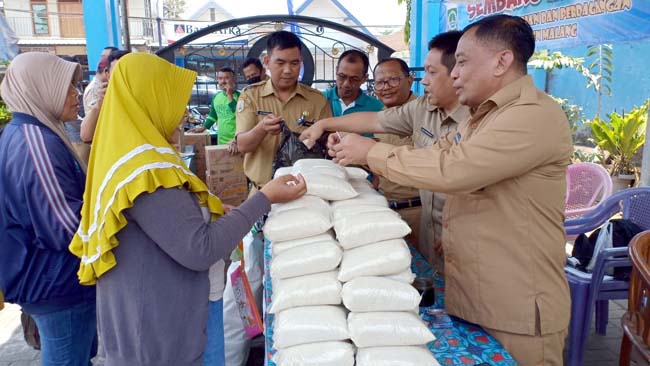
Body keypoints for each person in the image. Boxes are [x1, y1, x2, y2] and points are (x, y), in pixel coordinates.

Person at [324, 15, 572, 364]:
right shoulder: (481, 118)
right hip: (476, 294)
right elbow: (441, 155)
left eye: (464, 62)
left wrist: (371, 152)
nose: (455, 73)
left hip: (517, 308)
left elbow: (454, 170)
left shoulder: (532, 116)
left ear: (502, 61)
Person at [68, 53, 306, 366]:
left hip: (148, 326)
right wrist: (263, 199)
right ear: (151, 100)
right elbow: (200, 247)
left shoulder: (128, 154)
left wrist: (211, 210)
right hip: (157, 340)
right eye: (174, 100)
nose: (182, 114)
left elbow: (169, 224)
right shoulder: (146, 172)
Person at [300, 31, 469, 271]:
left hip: (448, 226)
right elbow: (374, 121)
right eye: (380, 83)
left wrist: (368, 150)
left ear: (457, 73)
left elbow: (468, 179)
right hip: (424, 220)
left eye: (432, 73)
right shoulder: (423, 108)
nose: (425, 81)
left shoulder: (479, 119)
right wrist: (324, 125)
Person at [0, 52, 97, 365]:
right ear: (40, 87)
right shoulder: (36, 142)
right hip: (56, 283)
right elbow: (66, 224)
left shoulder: (31, 132)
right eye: (67, 87)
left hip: (49, 280)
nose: (76, 95)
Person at [235, 30, 332, 192]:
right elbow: (242, 146)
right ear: (267, 62)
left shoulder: (317, 100)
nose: (288, 70)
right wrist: (262, 129)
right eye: (280, 63)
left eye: (294, 63)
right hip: (262, 193)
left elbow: (330, 145)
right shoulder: (250, 97)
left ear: (301, 63)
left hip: (306, 193)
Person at [371, 57, 422, 247]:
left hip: (420, 211)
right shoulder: (381, 117)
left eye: (393, 80)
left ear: (409, 80)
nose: (386, 87)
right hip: (388, 210)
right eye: (379, 82)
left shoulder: (424, 113)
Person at [80, 49, 130, 143]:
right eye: (117, 72)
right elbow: (86, 136)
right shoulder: (102, 97)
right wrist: (99, 105)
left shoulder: (142, 96)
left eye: (127, 71)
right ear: (107, 74)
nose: (123, 77)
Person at [323, 49, 383, 118]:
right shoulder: (319, 100)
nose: (346, 84)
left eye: (354, 79)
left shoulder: (377, 109)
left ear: (364, 78)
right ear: (336, 71)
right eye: (342, 76)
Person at [190, 67, 240, 146]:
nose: (223, 81)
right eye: (220, 78)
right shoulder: (216, 97)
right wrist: (203, 128)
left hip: (237, 141)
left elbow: (239, 114)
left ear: (233, 79)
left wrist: (229, 95)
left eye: (227, 78)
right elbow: (213, 116)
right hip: (221, 141)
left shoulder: (241, 96)